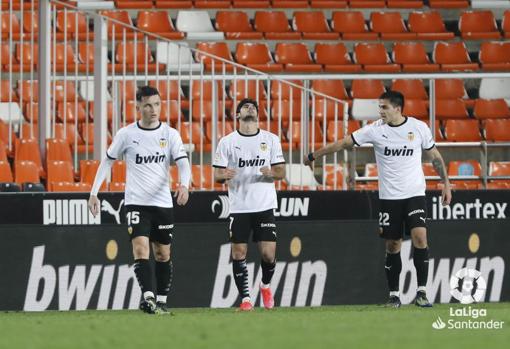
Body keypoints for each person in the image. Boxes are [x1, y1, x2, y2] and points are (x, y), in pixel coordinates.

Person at [305, 90, 452, 308]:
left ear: (398, 109)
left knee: (420, 236)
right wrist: (314, 155)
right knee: (393, 245)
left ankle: (422, 292)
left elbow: (435, 157)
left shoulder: (419, 128)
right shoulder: (374, 130)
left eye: (384, 107)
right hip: (389, 198)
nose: (380, 111)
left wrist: (446, 183)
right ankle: (394, 295)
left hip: (414, 194)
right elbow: (344, 143)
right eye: (379, 107)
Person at [88, 85, 191, 314]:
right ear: (138, 107)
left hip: (163, 203)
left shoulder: (170, 134)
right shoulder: (127, 134)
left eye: (156, 104)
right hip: (136, 202)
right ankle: (148, 298)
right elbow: (107, 161)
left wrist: (184, 184)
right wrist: (94, 192)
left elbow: (183, 162)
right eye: (147, 105)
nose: (153, 109)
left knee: (163, 253)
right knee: (140, 248)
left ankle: (161, 301)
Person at [213, 98, 286, 311]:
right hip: (239, 207)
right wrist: (223, 175)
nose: (250, 108)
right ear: (237, 115)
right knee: (238, 253)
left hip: (264, 205)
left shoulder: (270, 139)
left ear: (257, 114)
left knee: (268, 254)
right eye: (245, 107)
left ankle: (265, 285)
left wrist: (273, 173)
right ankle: (245, 299)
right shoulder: (227, 142)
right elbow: (217, 174)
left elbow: (281, 171)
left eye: (253, 107)